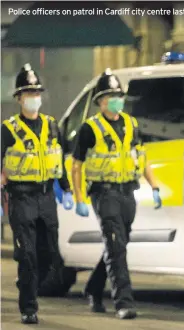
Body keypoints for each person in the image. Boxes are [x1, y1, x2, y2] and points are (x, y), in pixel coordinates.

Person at [71, 69, 162, 319]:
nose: (116, 100)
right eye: (111, 96)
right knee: (116, 247)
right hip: (104, 193)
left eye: (118, 95)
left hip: (127, 193)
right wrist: (79, 198)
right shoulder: (89, 129)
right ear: (100, 101)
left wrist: (154, 186)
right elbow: (76, 166)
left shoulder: (131, 124)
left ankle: (93, 287)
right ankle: (124, 302)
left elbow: (142, 158)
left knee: (117, 245)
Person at [0, 64, 74, 324]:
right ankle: (28, 307)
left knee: (49, 254)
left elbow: (60, 160)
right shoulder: (7, 130)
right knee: (28, 255)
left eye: (36, 92)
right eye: (28, 93)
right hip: (21, 198)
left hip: (46, 198)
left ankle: (27, 280)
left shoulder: (52, 126)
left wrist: (66, 189)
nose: (33, 97)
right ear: (19, 98)